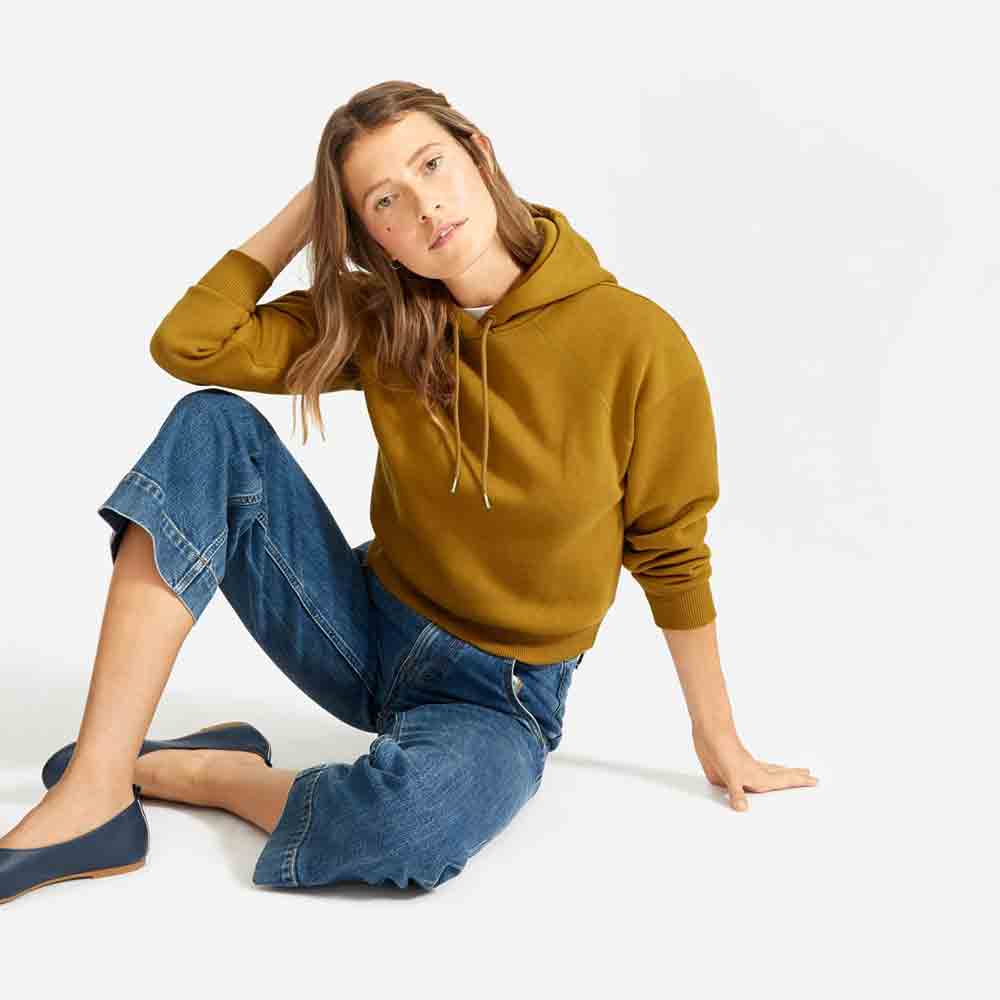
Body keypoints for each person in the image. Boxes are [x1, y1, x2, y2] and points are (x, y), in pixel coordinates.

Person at [0, 80, 818, 903]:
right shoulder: (383, 318)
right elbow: (191, 344)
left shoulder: (636, 339)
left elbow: (671, 550)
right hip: (362, 626)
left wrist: (717, 735)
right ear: (369, 234)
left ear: (480, 152)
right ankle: (98, 788)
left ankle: (211, 773)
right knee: (210, 427)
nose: (425, 208)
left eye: (431, 165)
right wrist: (315, 206)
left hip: (500, 695)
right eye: (385, 200)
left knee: (409, 825)